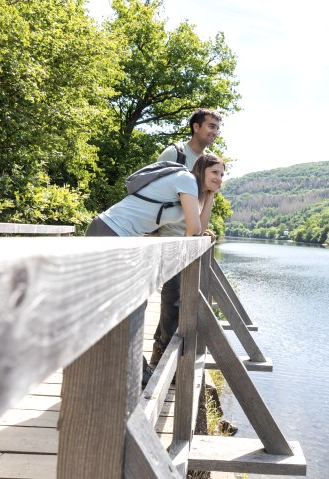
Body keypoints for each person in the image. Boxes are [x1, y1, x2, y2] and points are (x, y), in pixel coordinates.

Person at [85, 152, 225, 385]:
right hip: (110, 231)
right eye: (214, 172)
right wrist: (200, 228)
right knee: (125, 304)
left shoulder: (192, 190)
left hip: (122, 238)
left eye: (222, 174)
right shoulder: (186, 180)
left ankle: (128, 370)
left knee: (126, 304)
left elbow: (197, 228)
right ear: (201, 169)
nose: (219, 178)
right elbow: (194, 230)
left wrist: (210, 196)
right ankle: (130, 371)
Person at [148, 109, 222, 371]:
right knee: (172, 297)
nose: (214, 132)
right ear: (195, 126)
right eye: (210, 126)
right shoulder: (176, 154)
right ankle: (161, 357)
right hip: (166, 236)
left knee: (177, 298)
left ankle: (163, 355)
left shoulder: (206, 161)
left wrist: (203, 229)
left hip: (188, 238)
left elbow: (200, 199)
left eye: (217, 128)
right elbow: (153, 187)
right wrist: (152, 228)